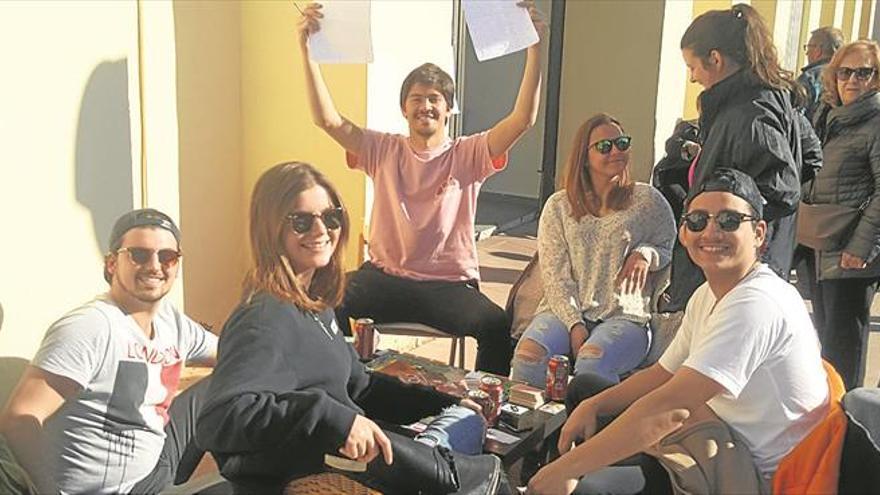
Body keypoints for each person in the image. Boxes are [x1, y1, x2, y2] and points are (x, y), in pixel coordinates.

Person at [196, 162, 506, 494]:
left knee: (468, 423)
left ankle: (441, 453)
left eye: (330, 217)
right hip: (317, 473)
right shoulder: (263, 318)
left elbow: (360, 386)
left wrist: (442, 403)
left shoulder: (314, 302)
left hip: (356, 460)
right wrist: (335, 420)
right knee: (489, 479)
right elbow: (220, 418)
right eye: (301, 221)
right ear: (270, 229)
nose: (320, 231)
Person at [527, 169, 829, 495]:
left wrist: (570, 468)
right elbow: (661, 374)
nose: (711, 231)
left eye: (728, 220)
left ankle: (552, 481)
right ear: (683, 234)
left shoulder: (757, 303)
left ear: (758, 233)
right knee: (585, 390)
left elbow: (672, 407)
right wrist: (594, 406)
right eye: (698, 220)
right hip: (705, 436)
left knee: (589, 488)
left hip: (740, 470)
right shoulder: (709, 293)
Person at [297, 1, 545, 375]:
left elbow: (523, 119)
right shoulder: (382, 149)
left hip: (448, 287)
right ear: (404, 108)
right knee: (321, 299)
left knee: (495, 325)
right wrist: (307, 50)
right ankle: (338, 386)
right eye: (416, 99)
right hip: (384, 279)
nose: (425, 106)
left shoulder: (469, 153)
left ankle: (483, 413)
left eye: (434, 99)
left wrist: (534, 46)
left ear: (449, 109)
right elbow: (327, 119)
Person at [0, 209, 218, 494]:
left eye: (167, 257)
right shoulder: (91, 327)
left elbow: (234, 354)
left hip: (154, 463)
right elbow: (20, 417)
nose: (155, 266)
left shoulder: (171, 321)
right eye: (139, 255)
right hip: (111, 489)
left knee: (232, 376)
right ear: (112, 263)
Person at [664, 3, 816, 311]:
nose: (692, 78)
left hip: (737, 278)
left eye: (692, 67)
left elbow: (782, 189)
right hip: (742, 270)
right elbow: (809, 158)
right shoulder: (765, 99)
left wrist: (723, 223)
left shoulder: (750, 113)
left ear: (715, 59)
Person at [510, 114, 675, 392]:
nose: (616, 151)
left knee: (591, 363)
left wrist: (646, 254)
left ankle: (592, 433)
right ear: (584, 157)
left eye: (622, 143)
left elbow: (669, 244)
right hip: (563, 311)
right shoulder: (559, 206)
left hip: (624, 313)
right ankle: (532, 429)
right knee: (529, 356)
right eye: (604, 146)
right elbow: (554, 275)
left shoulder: (647, 200)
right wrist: (575, 325)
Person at [806, 40, 880, 390]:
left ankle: (850, 428)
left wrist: (861, 247)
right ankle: (831, 419)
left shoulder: (875, 123)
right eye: (845, 72)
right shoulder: (829, 118)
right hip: (822, 244)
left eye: (864, 72)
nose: (853, 80)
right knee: (825, 343)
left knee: (843, 350)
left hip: (852, 251)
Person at [800, 27, 845, 123]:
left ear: (818, 50)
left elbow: (794, 114)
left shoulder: (810, 78)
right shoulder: (848, 77)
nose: (807, 52)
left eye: (808, 47)